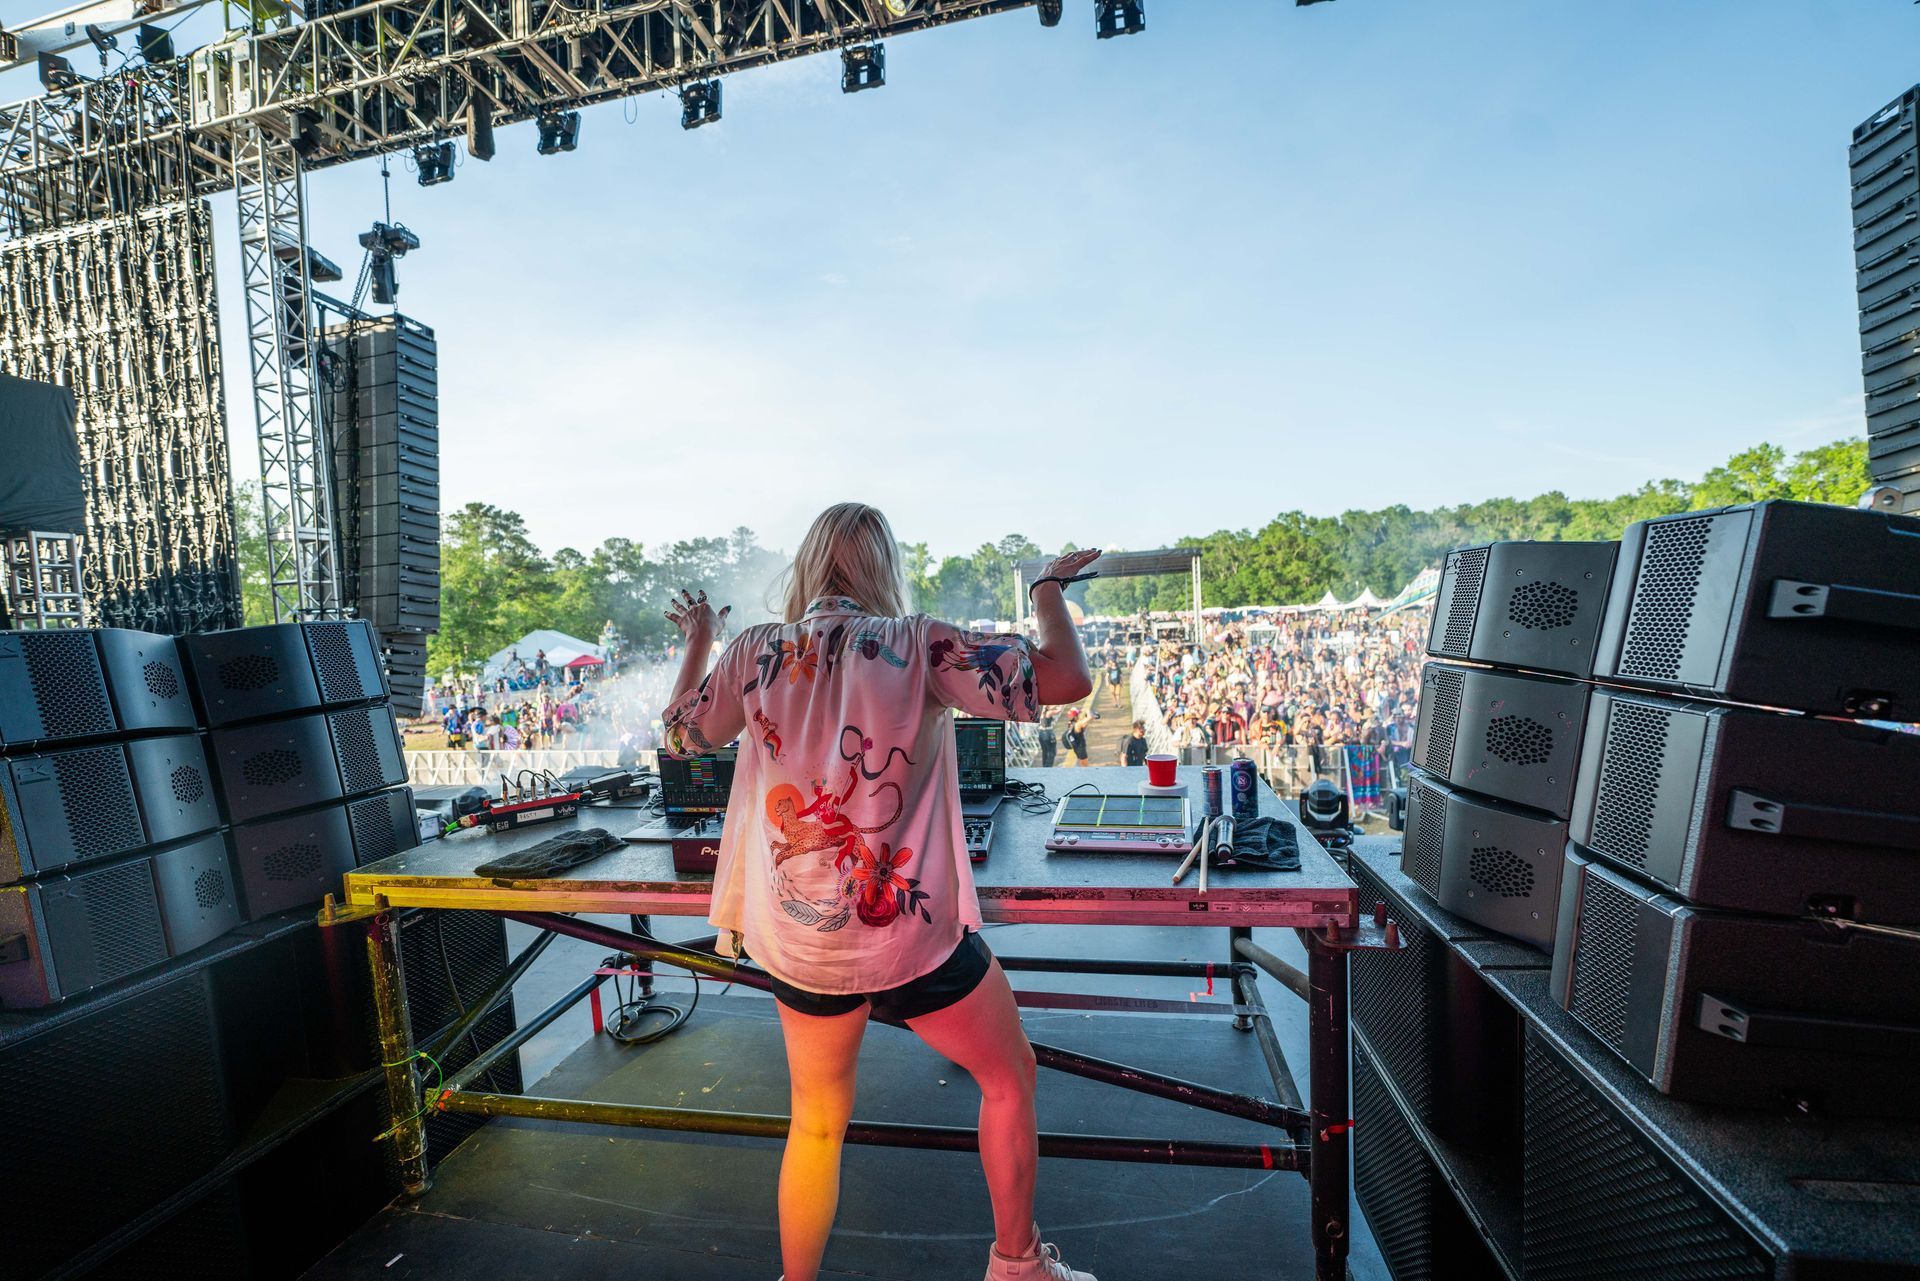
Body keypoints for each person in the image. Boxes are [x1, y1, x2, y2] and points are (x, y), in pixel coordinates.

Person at [658, 503, 1099, 1281]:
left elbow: (683, 734)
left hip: (804, 946)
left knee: (817, 1126)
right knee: (1008, 1076)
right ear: (881, 569)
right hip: (910, 937)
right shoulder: (915, 643)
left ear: (809, 565)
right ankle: (1017, 1265)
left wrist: (697, 645)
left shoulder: (753, 653)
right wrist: (1048, 588)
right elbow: (1067, 677)